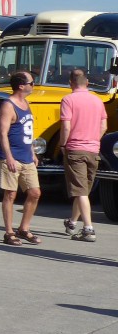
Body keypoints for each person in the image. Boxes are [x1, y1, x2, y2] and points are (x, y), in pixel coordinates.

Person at [60, 67, 106, 243]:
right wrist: (93, 139)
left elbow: (66, 126)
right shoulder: (97, 101)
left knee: (80, 191)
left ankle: (88, 228)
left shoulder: (68, 100)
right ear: (87, 82)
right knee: (83, 190)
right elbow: (103, 127)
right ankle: (72, 222)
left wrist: (63, 144)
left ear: (70, 83)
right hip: (93, 149)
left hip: (75, 149)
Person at [0, 71, 41, 245]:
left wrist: (33, 152)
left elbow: (26, 131)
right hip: (12, 157)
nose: (33, 85)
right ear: (21, 86)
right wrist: (9, 157)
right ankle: (9, 232)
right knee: (10, 194)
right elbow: (2, 133)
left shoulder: (25, 103)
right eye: (31, 82)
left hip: (26, 157)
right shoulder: (8, 105)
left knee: (35, 193)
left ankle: (24, 228)